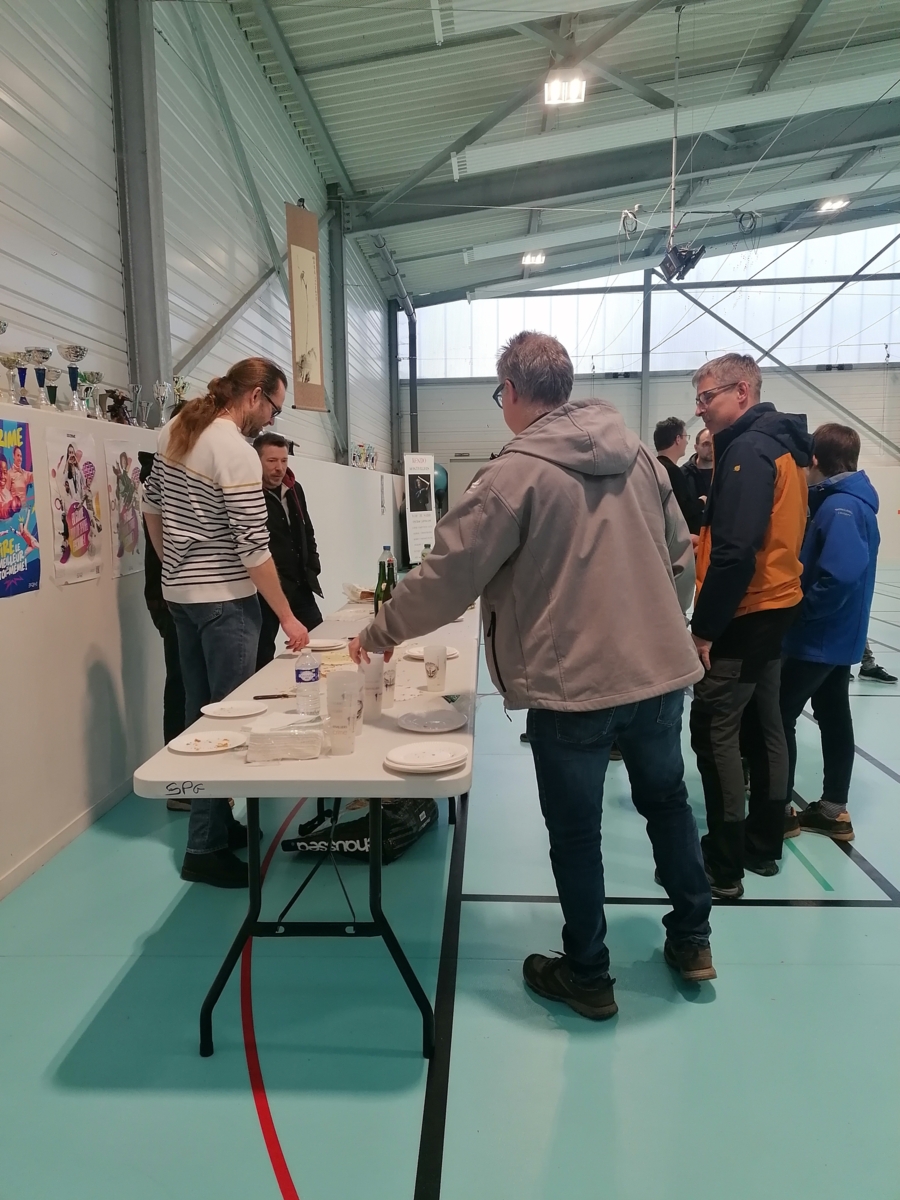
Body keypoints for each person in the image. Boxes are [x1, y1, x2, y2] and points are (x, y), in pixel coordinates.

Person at [350, 331, 715, 1021]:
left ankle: (588, 973)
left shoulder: (512, 475)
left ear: (512, 392)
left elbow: (447, 578)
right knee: (668, 805)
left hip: (572, 686)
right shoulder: (640, 456)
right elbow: (679, 552)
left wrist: (378, 632)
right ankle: (693, 938)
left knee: (577, 833)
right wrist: (660, 627)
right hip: (659, 676)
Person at [143, 358, 310, 888]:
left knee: (199, 717)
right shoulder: (235, 451)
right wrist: (287, 616)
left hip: (183, 599)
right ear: (255, 395)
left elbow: (149, 506)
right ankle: (204, 848)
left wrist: (173, 568)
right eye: (274, 408)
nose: (271, 420)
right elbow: (253, 548)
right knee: (227, 724)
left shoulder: (175, 428)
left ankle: (215, 824)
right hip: (225, 604)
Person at [689, 353, 811, 898]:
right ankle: (763, 845)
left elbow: (736, 553)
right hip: (778, 602)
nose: (700, 409)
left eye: (706, 396)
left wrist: (704, 629)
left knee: (715, 729)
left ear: (742, 391)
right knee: (766, 725)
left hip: (746, 611)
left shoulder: (749, 449)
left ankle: (724, 863)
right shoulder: (784, 444)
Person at [781, 424, 879, 843]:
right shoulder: (849, 502)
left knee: (778, 715)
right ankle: (834, 809)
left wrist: (801, 613)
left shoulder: (841, 507)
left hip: (818, 638)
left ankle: (778, 810)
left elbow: (840, 575)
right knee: (834, 715)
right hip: (836, 638)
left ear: (814, 459)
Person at [253, 432, 323, 669]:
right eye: (272, 461)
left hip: (300, 584)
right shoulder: (250, 494)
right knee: (261, 655)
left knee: (318, 641)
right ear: (257, 460)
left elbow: (307, 530)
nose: (279, 468)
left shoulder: (294, 489)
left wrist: (312, 565)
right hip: (265, 591)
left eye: (284, 461)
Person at [138, 449, 187, 793]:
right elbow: (161, 557)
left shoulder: (169, 489)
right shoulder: (162, 492)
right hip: (174, 605)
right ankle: (179, 782)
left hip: (177, 602)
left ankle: (187, 780)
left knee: (187, 686)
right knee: (181, 686)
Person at [654, 416, 703, 535]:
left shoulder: (653, 467)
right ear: (678, 439)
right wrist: (702, 502)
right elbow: (682, 509)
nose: (687, 442)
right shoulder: (672, 471)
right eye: (686, 437)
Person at [683, 427, 714, 514]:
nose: (711, 448)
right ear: (696, 448)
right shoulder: (683, 474)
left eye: (714, 443)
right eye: (706, 444)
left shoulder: (724, 471)